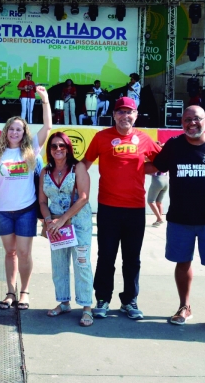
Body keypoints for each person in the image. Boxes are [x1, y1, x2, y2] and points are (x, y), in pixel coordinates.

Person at [152, 105, 205, 335]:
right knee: (183, 262)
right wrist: (126, 162)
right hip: (180, 219)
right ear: (182, 122)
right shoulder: (173, 145)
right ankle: (184, 307)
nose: (192, 123)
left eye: (197, 119)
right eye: (187, 119)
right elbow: (155, 166)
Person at [82, 97, 161, 320]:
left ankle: (129, 300)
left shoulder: (145, 139)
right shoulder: (101, 137)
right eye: (121, 112)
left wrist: (141, 168)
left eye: (130, 112)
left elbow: (160, 163)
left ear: (136, 116)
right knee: (106, 256)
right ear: (114, 114)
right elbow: (84, 165)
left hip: (135, 209)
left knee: (132, 258)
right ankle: (103, 298)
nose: (125, 116)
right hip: (108, 208)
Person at [0, 86, 52, 311]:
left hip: (26, 210)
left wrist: (44, 100)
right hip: (2, 209)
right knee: (10, 253)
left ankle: (24, 291)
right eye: (11, 129)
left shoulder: (31, 149)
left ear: (24, 133)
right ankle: (10, 292)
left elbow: (48, 126)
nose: (15, 133)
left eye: (19, 130)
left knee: (24, 253)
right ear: (6, 131)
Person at [39, 132, 94, 326]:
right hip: (55, 226)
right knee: (59, 264)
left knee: (82, 264)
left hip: (78, 224)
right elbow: (42, 201)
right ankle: (63, 302)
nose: (58, 149)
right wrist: (48, 221)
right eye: (53, 146)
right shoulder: (46, 171)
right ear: (49, 150)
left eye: (62, 145)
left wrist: (63, 219)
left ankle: (87, 307)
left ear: (68, 148)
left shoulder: (78, 167)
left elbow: (84, 197)